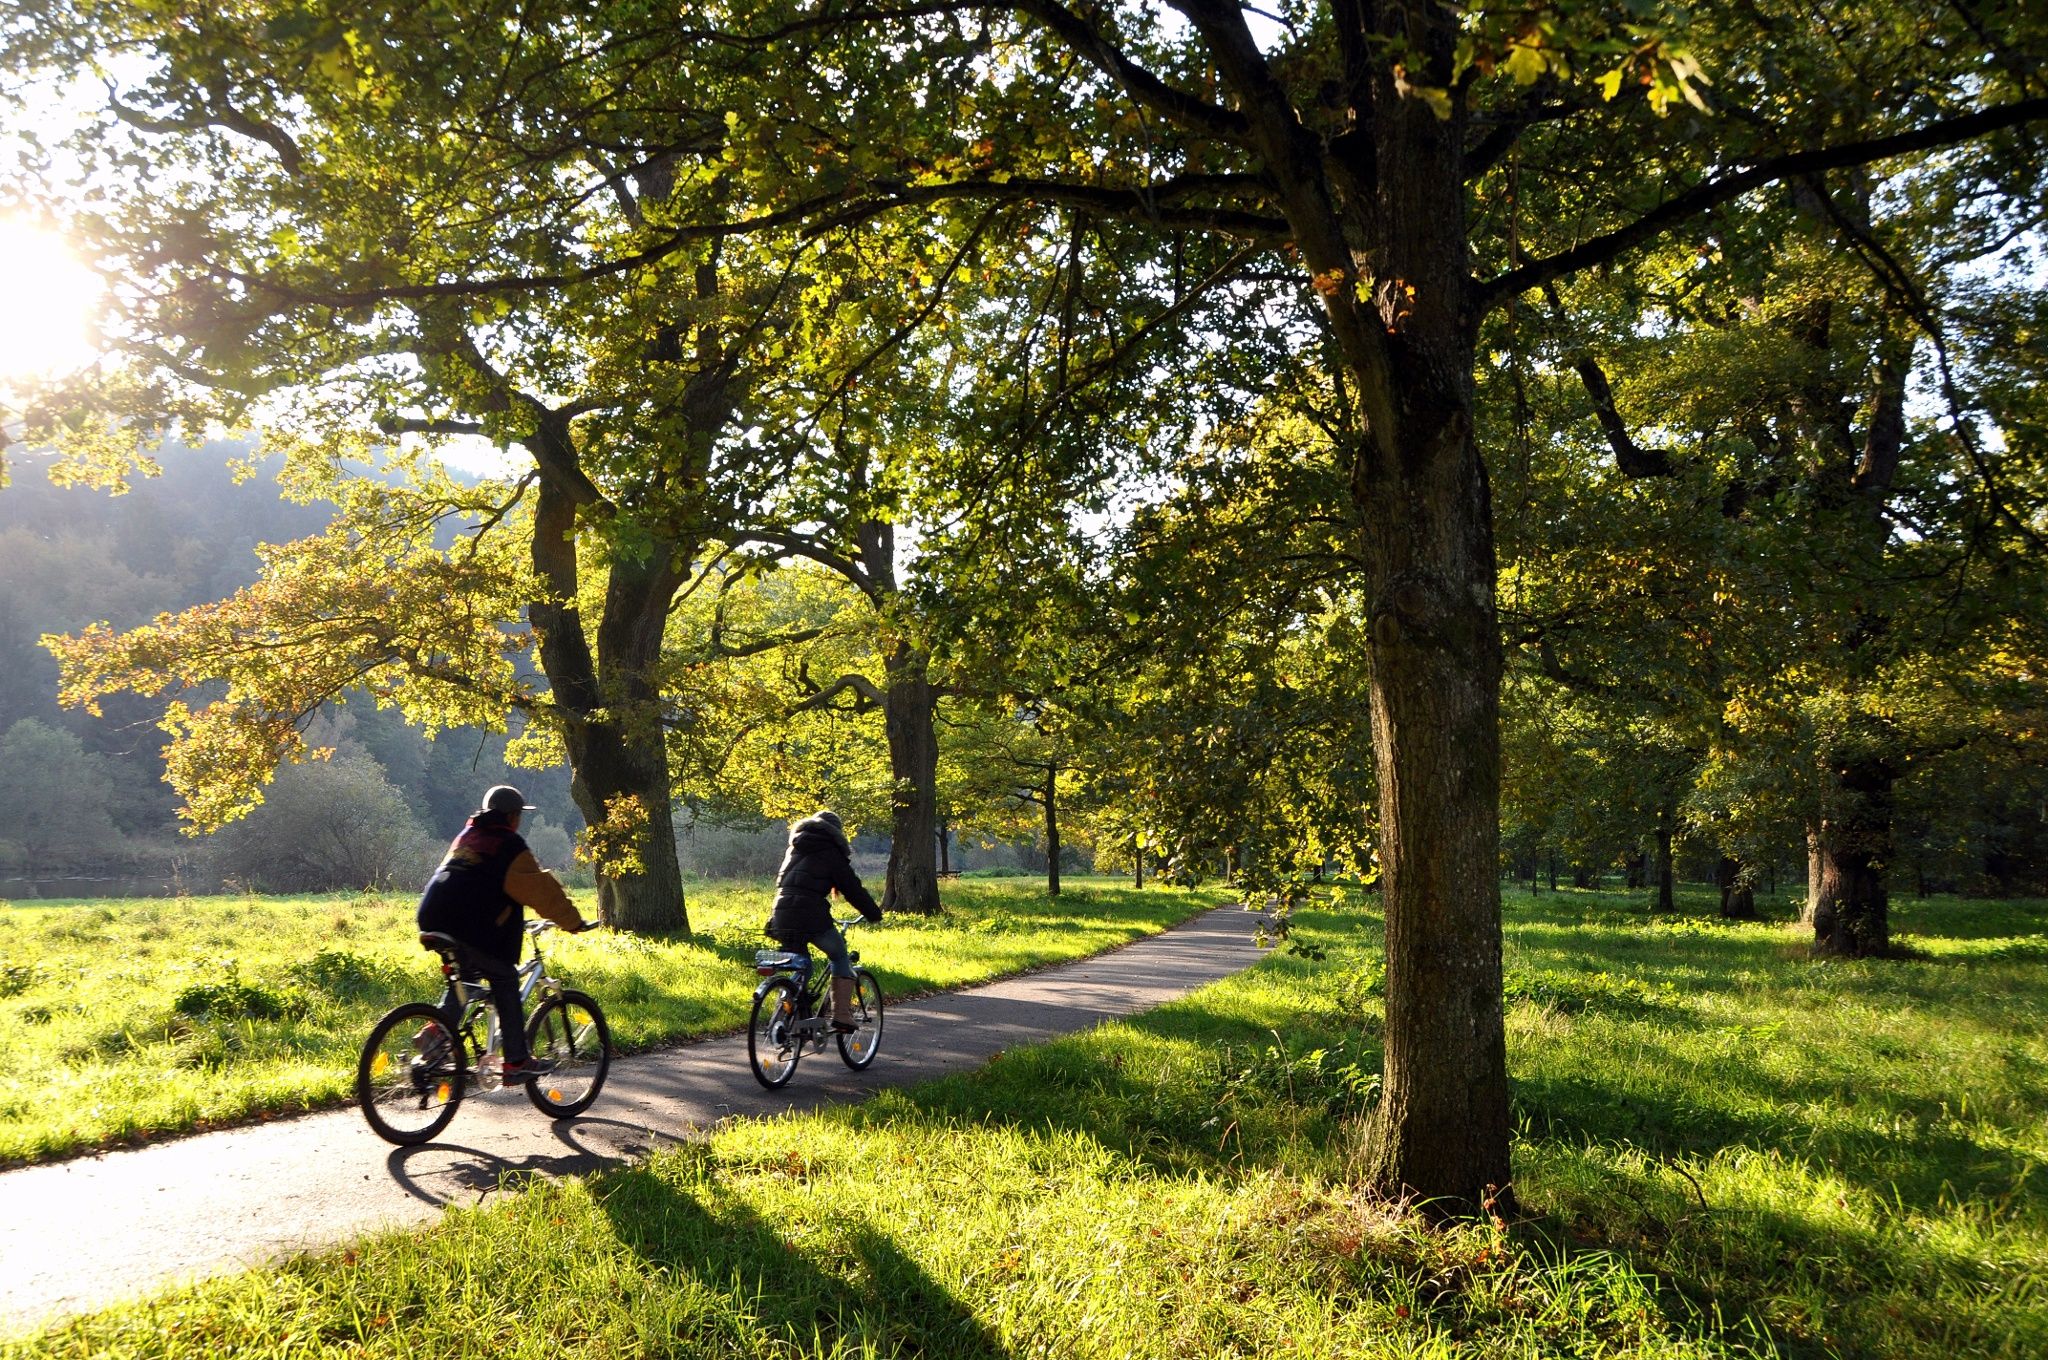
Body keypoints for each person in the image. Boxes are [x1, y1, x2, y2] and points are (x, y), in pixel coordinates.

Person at [416, 785, 590, 1082]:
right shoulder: (508, 844)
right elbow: (541, 890)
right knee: (505, 979)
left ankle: (435, 1033)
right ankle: (516, 1061)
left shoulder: (467, 836)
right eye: (519, 815)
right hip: (469, 925)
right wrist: (573, 922)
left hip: (433, 917)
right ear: (512, 816)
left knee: (466, 981)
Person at [767, 809, 882, 1032]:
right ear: (836, 832)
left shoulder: (795, 848)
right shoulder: (830, 851)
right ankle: (841, 1015)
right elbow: (852, 889)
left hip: (780, 912)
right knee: (839, 955)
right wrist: (874, 914)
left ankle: (786, 1016)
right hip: (810, 914)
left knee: (802, 966)